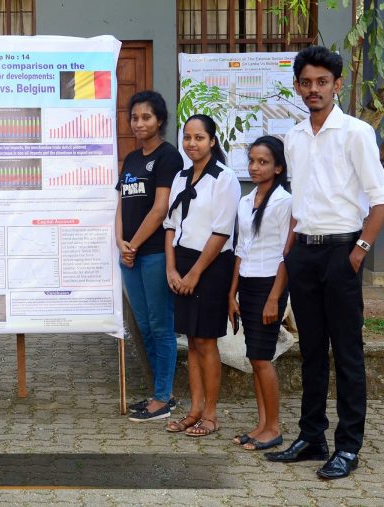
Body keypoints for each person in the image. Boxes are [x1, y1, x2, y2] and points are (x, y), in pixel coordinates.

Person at [265, 46, 384, 480]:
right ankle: (311, 437)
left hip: (342, 253)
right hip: (304, 253)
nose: (314, 89)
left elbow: (381, 199)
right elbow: (300, 201)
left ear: (337, 85)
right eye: (306, 82)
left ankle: (348, 446)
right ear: (297, 86)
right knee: (312, 351)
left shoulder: (356, 133)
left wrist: (359, 252)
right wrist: (291, 250)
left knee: (348, 353)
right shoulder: (294, 137)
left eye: (322, 82)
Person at [162, 114, 240, 437]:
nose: (192, 143)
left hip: (211, 265)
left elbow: (221, 232)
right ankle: (194, 410)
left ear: (212, 141)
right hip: (181, 263)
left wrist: (194, 274)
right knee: (191, 340)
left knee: (206, 340)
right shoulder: (181, 177)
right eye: (187, 137)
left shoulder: (224, 178)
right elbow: (170, 226)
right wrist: (171, 268)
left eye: (199, 138)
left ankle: (210, 414)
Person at [114, 91, 183, 422]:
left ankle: (162, 398)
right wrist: (120, 242)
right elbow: (120, 204)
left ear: (160, 120)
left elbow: (160, 209)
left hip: (154, 253)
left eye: (146, 117)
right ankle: (161, 392)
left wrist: (134, 245)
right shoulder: (131, 159)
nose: (139, 123)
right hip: (130, 256)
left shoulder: (169, 157)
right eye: (134, 117)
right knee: (144, 326)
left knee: (160, 326)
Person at [228, 136, 291, 451]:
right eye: (252, 160)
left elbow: (286, 254)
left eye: (263, 162)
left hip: (270, 284)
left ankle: (274, 428)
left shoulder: (285, 202)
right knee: (254, 356)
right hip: (248, 283)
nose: (254, 167)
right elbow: (241, 249)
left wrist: (274, 298)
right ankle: (262, 424)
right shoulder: (245, 201)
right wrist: (231, 294)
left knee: (263, 357)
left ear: (278, 167)